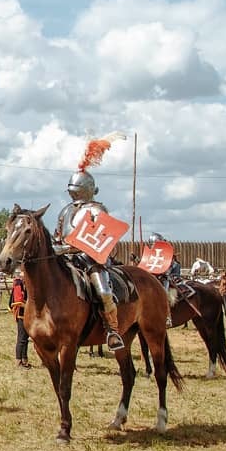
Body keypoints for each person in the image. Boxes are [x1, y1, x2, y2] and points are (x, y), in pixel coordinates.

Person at [53, 151, 126, 352]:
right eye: (71, 190)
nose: (72, 194)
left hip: (91, 260)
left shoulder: (97, 210)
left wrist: (73, 248)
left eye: (76, 190)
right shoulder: (66, 211)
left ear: (86, 189)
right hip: (66, 259)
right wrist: (58, 248)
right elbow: (58, 236)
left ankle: (112, 330)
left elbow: (103, 240)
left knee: (103, 291)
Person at [9, 268, 31, 368]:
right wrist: (30, 307)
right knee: (21, 338)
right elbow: (18, 300)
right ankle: (18, 360)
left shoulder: (26, 284)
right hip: (21, 313)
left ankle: (24, 359)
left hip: (27, 313)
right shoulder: (18, 284)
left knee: (26, 338)